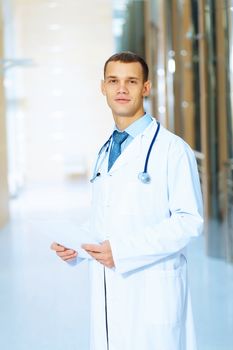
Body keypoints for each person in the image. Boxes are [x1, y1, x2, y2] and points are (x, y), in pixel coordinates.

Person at [51, 51, 203, 350]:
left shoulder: (172, 150)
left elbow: (189, 222)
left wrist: (121, 251)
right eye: (114, 81)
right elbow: (106, 219)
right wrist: (77, 248)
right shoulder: (106, 150)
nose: (121, 89)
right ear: (103, 87)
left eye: (131, 81)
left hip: (153, 291)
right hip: (109, 292)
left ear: (145, 88)